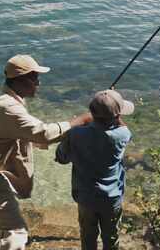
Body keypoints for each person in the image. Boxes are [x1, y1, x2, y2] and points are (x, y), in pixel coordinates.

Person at [0, 54, 92, 250]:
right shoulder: (6, 107)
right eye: (34, 78)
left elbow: (28, 136)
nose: (38, 83)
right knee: (16, 230)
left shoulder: (9, 102)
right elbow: (42, 134)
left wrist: (63, 130)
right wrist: (82, 120)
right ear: (20, 80)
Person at [55, 89, 134, 250]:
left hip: (85, 197)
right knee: (111, 237)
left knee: (87, 236)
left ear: (92, 113)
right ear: (118, 116)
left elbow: (61, 158)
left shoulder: (75, 134)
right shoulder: (123, 134)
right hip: (112, 198)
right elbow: (122, 127)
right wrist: (108, 111)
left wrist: (81, 122)